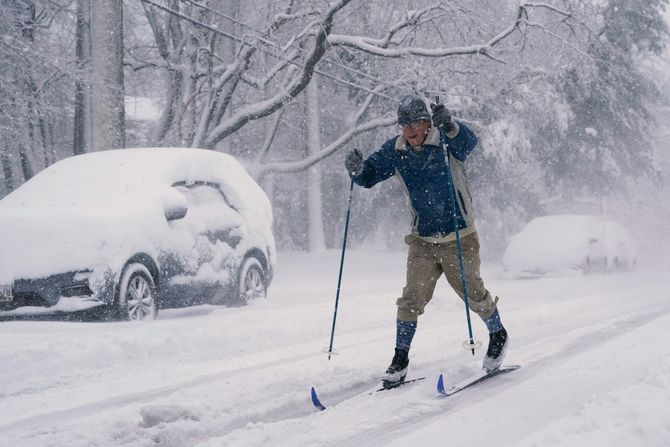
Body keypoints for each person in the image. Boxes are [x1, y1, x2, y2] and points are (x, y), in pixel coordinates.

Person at [344, 94, 508, 385]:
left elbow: (469, 144)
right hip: (422, 239)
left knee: (472, 292)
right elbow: (370, 176)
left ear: (426, 122)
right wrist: (357, 171)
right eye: (403, 126)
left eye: (414, 125)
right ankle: (400, 359)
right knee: (410, 299)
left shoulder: (446, 140)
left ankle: (498, 334)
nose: (408, 132)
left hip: (460, 235)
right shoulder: (396, 151)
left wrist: (452, 125)